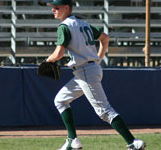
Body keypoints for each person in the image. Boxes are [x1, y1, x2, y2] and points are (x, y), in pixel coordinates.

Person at [45, 0, 146, 149]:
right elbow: (105, 38)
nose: (53, 10)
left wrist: (48, 60)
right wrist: (98, 58)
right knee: (60, 100)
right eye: (52, 7)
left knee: (104, 111)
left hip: (86, 71)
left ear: (67, 7)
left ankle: (133, 142)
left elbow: (59, 53)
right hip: (86, 70)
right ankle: (73, 140)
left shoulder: (64, 26)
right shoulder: (83, 23)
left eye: (56, 7)